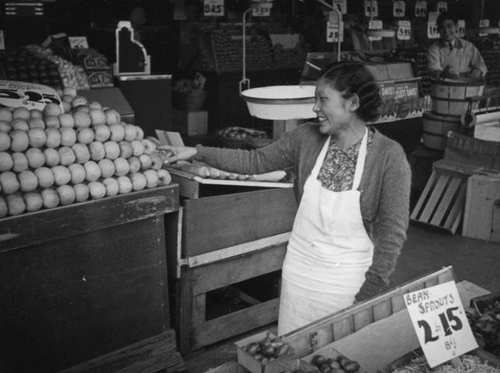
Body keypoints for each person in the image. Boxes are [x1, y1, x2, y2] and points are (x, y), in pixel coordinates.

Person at [160, 62, 411, 335]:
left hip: (348, 281)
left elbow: (392, 233)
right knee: (293, 349)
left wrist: (367, 294)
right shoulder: (306, 138)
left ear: (352, 102)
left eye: (323, 99)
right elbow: (254, 161)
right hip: (300, 272)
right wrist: (195, 152)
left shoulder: (389, 156)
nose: (315, 108)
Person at [427, 11, 487, 79]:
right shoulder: (434, 49)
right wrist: (449, 74)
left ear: (456, 27)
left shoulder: (468, 46)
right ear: (438, 30)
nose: (446, 31)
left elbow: (481, 65)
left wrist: (479, 70)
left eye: (449, 26)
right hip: (445, 86)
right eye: (442, 27)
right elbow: (435, 69)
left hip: (467, 85)